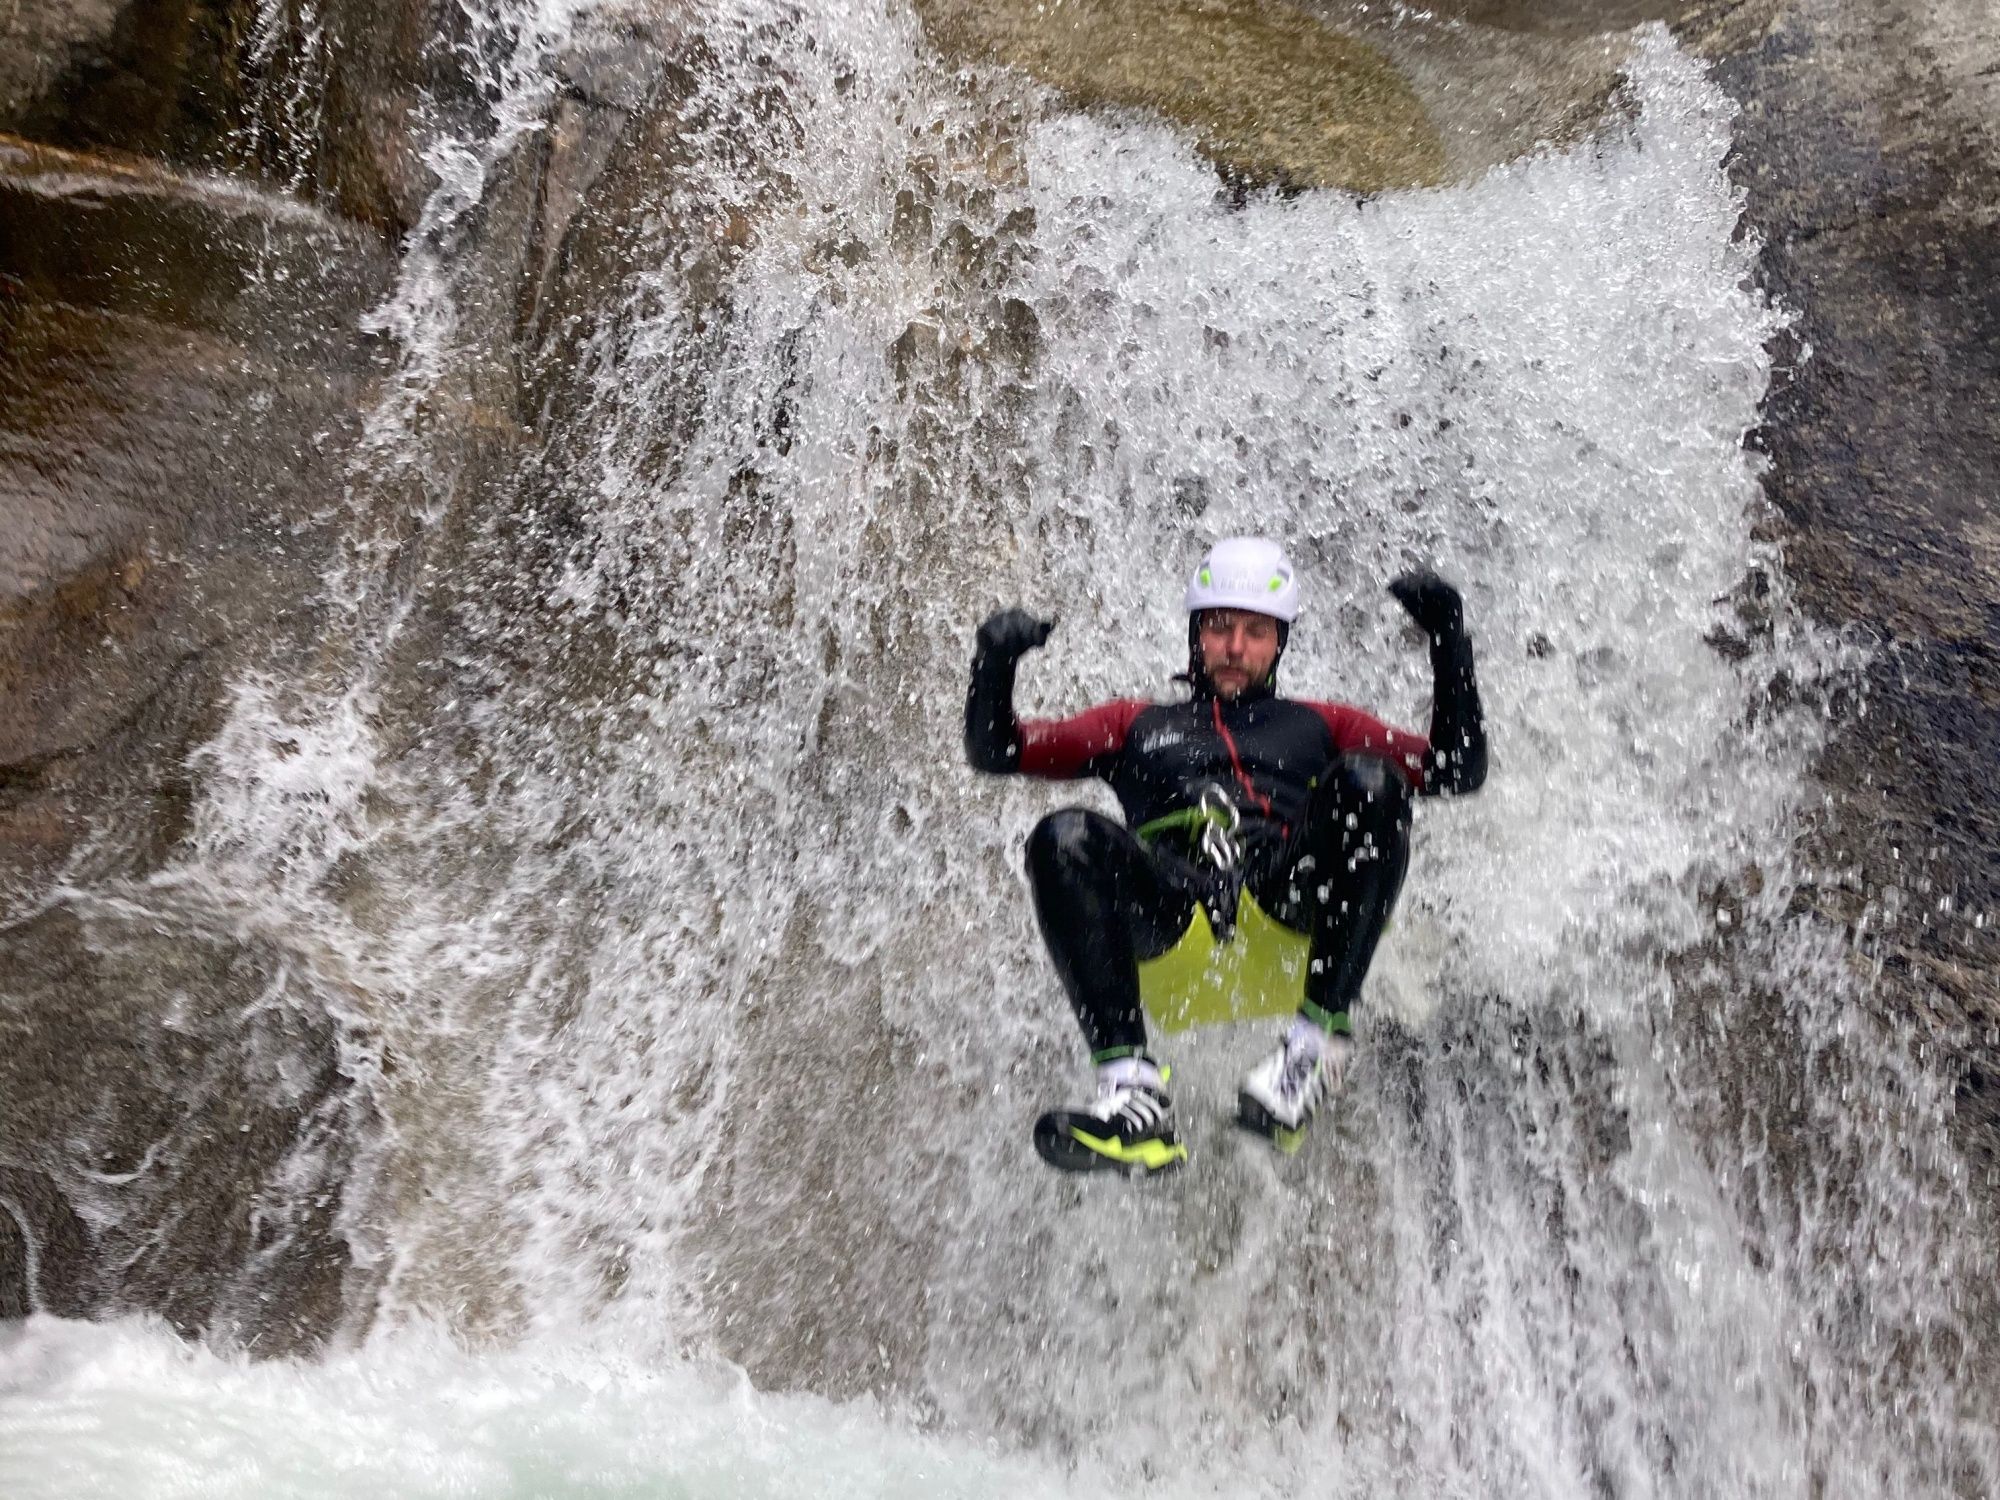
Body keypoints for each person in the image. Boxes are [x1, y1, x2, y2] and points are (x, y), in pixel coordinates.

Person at [964, 536, 1486, 1174]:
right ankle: (1131, 1097)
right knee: (1063, 835)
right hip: (1176, 926)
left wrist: (1449, 642)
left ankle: (1316, 1047)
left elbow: (1456, 770)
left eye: (1256, 632)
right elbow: (999, 752)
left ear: (1279, 643)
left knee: (1371, 781)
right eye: (1219, 627)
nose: (1236, 647)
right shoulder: (1134, 725)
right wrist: (994, 664)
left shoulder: (1322, 725)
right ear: (1196, 633)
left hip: (1288, 914)